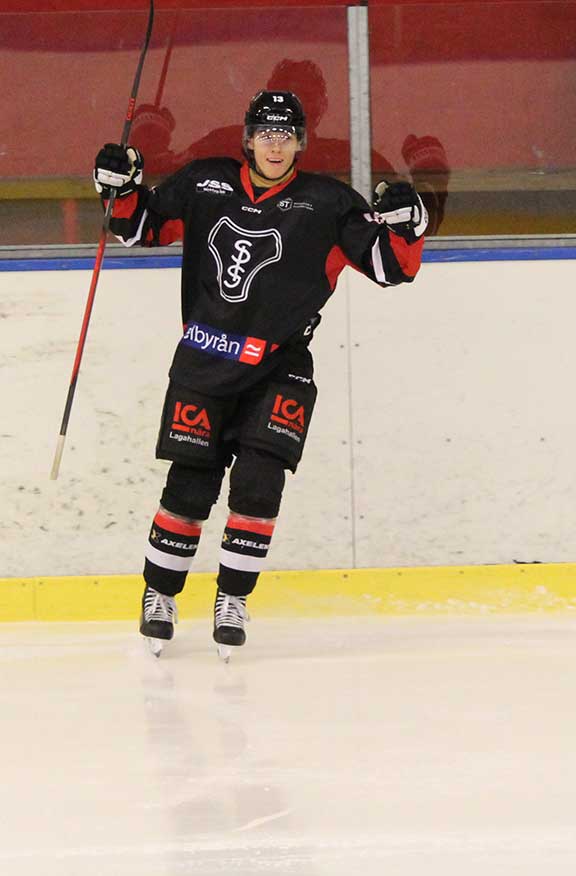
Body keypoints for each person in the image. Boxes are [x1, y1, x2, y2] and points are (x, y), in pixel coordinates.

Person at [91, 90, 428, 660]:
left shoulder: (327, 203)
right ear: (248, 139)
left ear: (300, 142)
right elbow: (137, 226)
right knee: (189, 486)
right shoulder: (205, 183)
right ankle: (160, 594)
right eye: (266, 133)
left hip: (280, 367)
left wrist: (407, 224)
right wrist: (118, 185)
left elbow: (392, 266)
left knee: (258, 484)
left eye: (286, 134)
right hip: (205, 362)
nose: (275, 144)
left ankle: (233, 599)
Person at [178, 59, 450, 236]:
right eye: (292, 92)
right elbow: (170, 189)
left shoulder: (350, 157)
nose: (301, 104)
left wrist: (428, 180)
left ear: (323, 104)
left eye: (307, 95)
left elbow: (406, 222)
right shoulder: (223, 143)